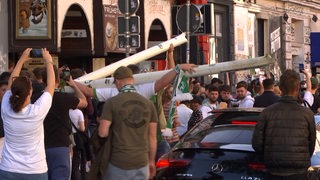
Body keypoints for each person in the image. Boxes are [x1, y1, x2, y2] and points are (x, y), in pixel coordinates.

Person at [0, 48, 55, 179]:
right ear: (30, 92)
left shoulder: (6, 108)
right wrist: (48, 61)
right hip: (35, 170)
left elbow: (11, 83)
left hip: (8, 169)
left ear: (13, 91)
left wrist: (21, 60)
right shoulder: (37, 112)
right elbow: (51, 85)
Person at [252, 69, 316, 179]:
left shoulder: (267, 113)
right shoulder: (307, 114)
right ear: (297, 88)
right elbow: (311, 145)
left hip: (274, 171)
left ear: (280, 88)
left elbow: (257, 144)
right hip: (299, 171)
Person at [98, 66, 158, 180]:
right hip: (142, 162)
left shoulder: (111, 102)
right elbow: (152, 137)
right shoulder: (149, 104)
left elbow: (102, 133)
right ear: (132, 80)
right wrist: (151, 161)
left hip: (118, 162)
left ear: (118, 82)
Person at [42, 65, 88, 180]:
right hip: (60, 145)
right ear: (58, 80)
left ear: (43, 81)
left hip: (40, 147)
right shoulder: (63, 98)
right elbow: (84, 102)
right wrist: (73, 84)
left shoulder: (35, 97)